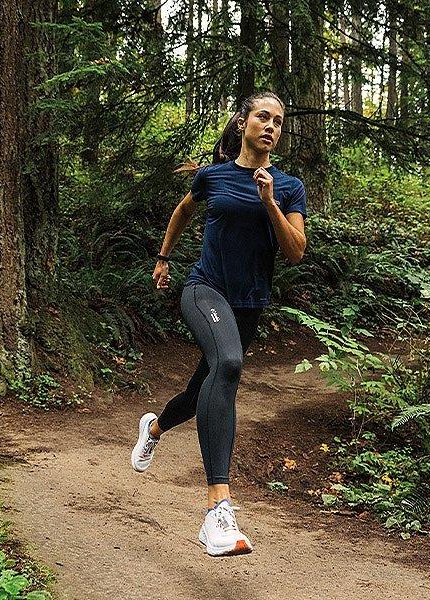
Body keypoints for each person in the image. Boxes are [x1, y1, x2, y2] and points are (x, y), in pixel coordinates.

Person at [129, 91, 308, 556]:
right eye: (262, 117)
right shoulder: (214, 177)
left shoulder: (288, 186)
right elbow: (183, 211)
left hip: (248, 304)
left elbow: (295, 251)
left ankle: (153, 429)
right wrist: (163, 258)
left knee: (201, 389)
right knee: (228, 363)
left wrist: (269, 203)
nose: (271, 126)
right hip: (204, 289)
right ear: (243, 123)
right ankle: (217, 510)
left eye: (278, 121)